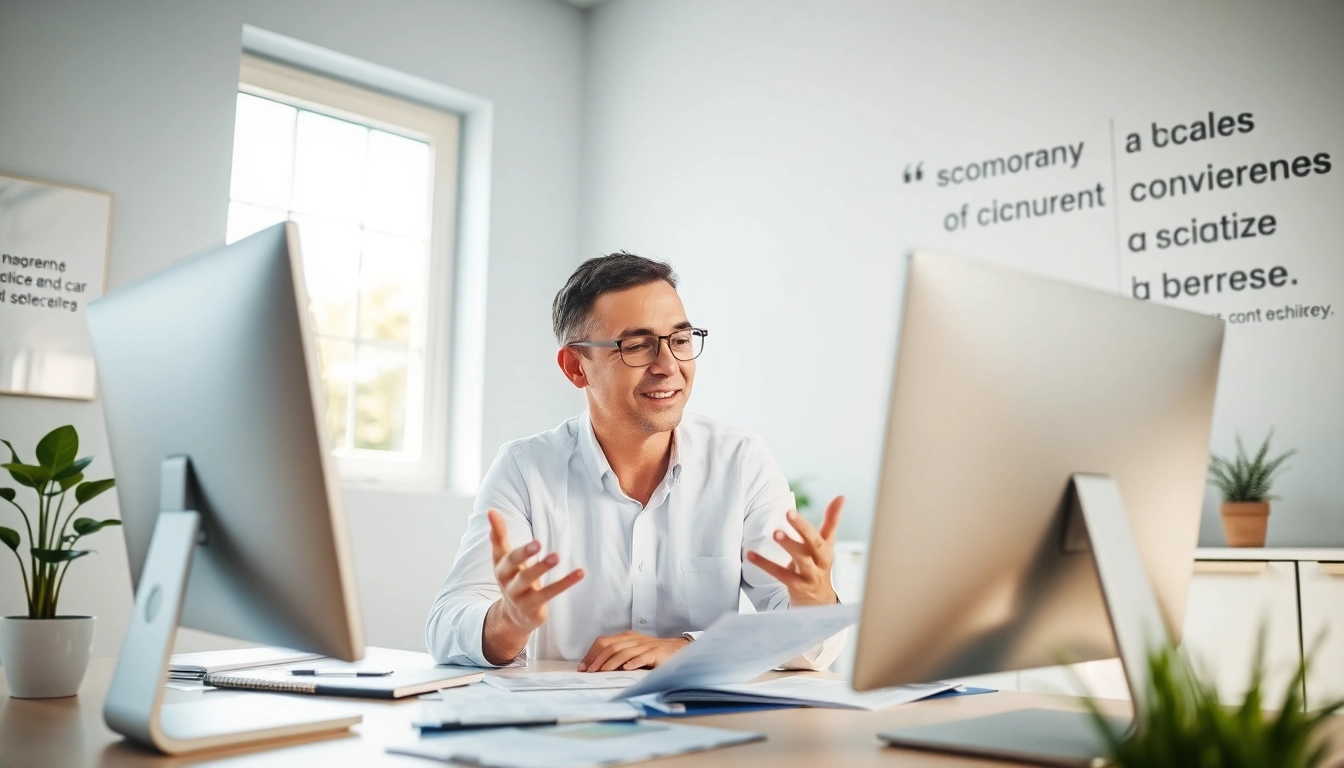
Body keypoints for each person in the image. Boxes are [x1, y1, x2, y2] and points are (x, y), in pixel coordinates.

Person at [426, 253, 846, 671]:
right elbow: (446, 624)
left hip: (704, 725)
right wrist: (509, 620)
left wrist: (814, 603)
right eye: (637, 346)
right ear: (576, 367)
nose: (669, 367)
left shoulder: (741, 461)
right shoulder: (526, 469)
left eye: (680, 340)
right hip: (569, 726)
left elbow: (812, 646)